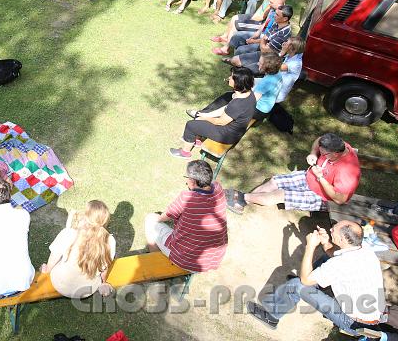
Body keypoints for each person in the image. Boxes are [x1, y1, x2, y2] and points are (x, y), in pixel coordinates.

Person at [247, 221, 385, 336]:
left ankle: (271, 317)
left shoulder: (341, 263)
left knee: (298, 285)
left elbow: (305, 280)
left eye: (334, 230)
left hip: (354, 323)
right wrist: (326, 242)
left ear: (342, 239)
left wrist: (310, 246)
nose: (331, 228)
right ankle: (313, 283)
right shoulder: (366, 250)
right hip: (370, 316)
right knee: (325, 259)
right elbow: (335, 254)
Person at [226, 133, 360, 214]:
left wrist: (320, 178)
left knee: (279, 195)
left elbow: (339, 199)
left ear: (336, 153)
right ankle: (242, 202)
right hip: (309, 177)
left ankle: (242, 197)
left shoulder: (348, 172)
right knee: (274, 181)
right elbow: (319, 140)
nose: (322, 154)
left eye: (324, 154)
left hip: (321, 197)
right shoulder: (338, 144)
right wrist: (313, 153)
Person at [144, 160, 227, 272]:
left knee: (149, 220)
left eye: (187, 178)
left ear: (193, 181)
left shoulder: (187, 198)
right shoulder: (218, 188)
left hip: (186, 260)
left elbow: (164, 216)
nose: (186, 181)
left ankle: (156, 265)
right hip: (213, 259)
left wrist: (155, 217)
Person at [169, 67, 256, 159]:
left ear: (238, 83)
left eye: (231, 77)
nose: (229, 78)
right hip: (235, 129)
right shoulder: (248, 94)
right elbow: (226, 108)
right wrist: (206, 115)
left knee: (191, 125)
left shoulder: (237, 105)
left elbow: (220, 122)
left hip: (227, 135)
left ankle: (185, 153)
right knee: (201, 117)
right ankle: (196, 140)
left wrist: (204, 118)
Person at [41, 200, 116, 298]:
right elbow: (105, 266)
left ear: (86, 216)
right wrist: (104, 282)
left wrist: (47, 269)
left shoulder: (69, 233)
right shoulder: (110, 240)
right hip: (87, 289)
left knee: (62, 255)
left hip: (61, 284)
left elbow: (54, 256)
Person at [211, 0, 286, 52]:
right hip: (257, 17)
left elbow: (263, 17)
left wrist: (251, 19)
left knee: (237, 24)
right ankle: (225, 37)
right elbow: (261, 9)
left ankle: (226, 48)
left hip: (260, 22)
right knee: (235, 18)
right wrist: (250, 16)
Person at [226, 5, 293, 74]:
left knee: (240, 56)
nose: (274, 16)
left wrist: (262, 42)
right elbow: (265, 38)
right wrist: (261, 42)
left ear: (285, 19)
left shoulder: (284, 34)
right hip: (264, 50)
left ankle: (245, 72)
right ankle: (240, 68)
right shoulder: (277, 23)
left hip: (269, 58)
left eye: (277, 15)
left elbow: (265, 49)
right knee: (239, 50)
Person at [252, 53, 283, 121]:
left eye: (260, 63)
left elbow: (252, 100)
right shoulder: (278, 73)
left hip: (258, 111)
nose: (257, 64)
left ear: (267, 67)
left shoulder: (266, 82)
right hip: (267, 108)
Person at [275, 37, 305, 103]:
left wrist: (282, 53)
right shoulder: (291, 55)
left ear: (292, 49)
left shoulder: (295, 63)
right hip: (274, 84)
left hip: (276, 94)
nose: (284, 43)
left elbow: (273, 66)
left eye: (287, 43)